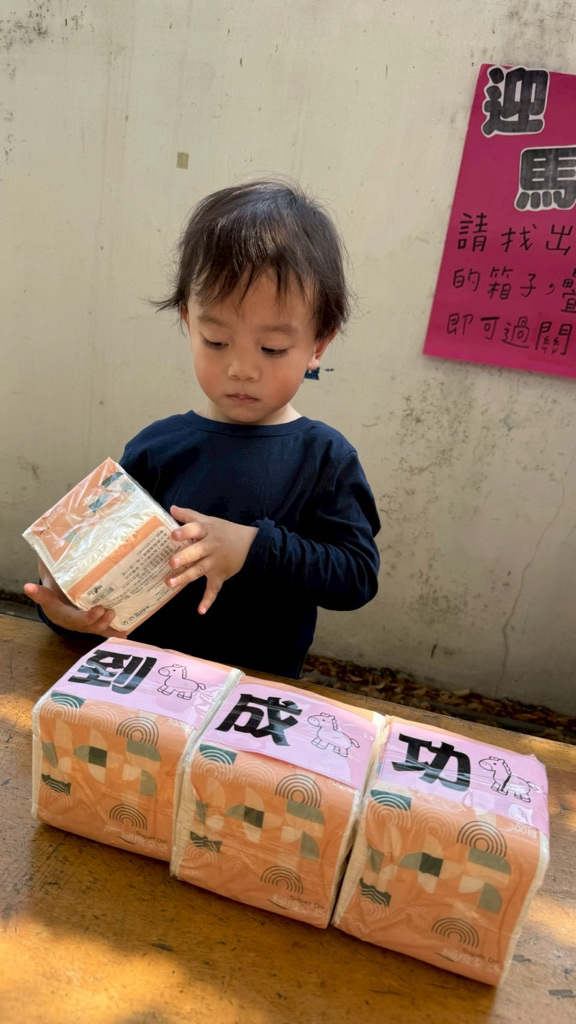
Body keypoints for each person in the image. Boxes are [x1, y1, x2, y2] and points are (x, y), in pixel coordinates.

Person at [24, 179, 381, 678]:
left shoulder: (325, 458)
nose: (241, 369)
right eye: (216, 340)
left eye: (272, 349)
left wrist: (252, 549)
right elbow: (93, 578)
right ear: (188, 322)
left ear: (318, 344)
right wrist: (66, 611)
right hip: (142, 686)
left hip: (249, 698)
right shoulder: (158, 447)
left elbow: (356, 576)